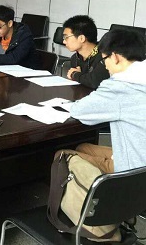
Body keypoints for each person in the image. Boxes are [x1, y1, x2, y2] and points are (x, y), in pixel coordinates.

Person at [70, 28, 146, 173]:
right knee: (83, 148)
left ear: (115, 57)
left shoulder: (120, 86)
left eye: (104, 59)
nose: (105, 65)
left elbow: (79, 111)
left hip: (134, 173)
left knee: (62, 156)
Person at [62, 15, 109, 89]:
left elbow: (95, 82)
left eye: (66, 37)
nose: (64, 41)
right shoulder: (75, 58)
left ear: (81, 38)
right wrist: (81, 76)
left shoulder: (104, 56)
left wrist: (75, 74)